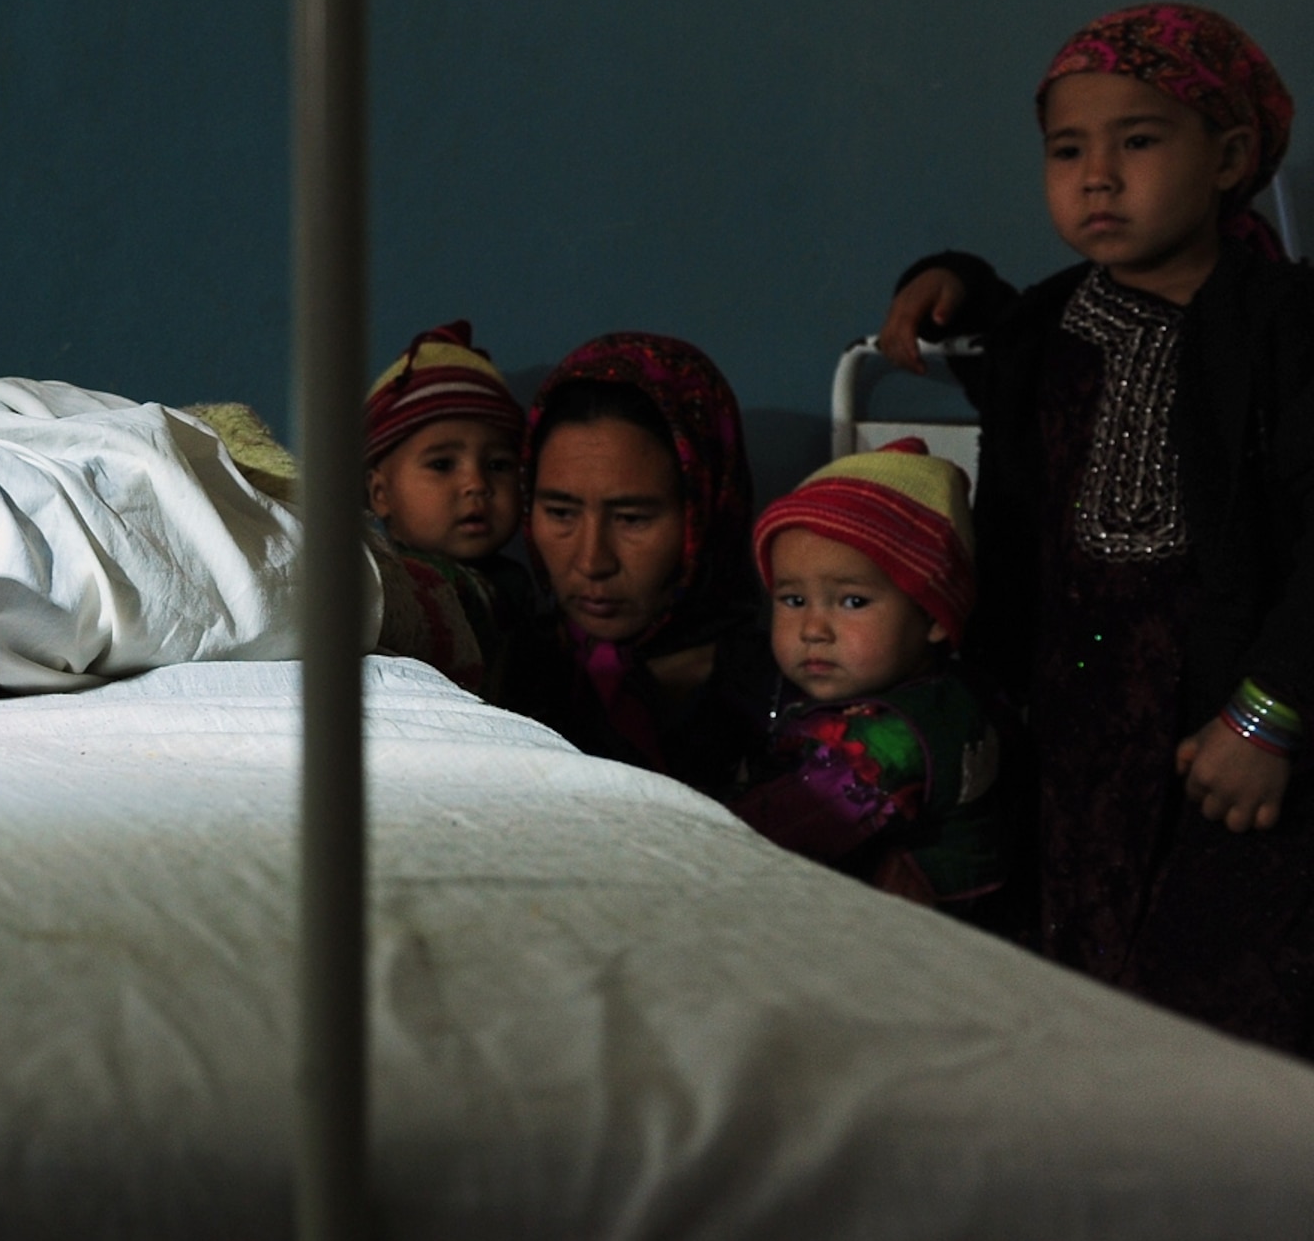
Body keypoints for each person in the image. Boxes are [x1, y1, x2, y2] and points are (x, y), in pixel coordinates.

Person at [876, 1, 1314, 1059]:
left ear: (1230, 154)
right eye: (1066, 150)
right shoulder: (1047, 325)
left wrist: (1269, 716)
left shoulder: (1303, 324)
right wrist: (953, 278)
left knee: (1223, 1046)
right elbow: (1003, 339)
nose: (1097, 175)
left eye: (1138, 140)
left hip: (1228, 757)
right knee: (1067, 1023)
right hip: (1070, 751)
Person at [732, 440, 1007, 919]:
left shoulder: (893, 735)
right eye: (793, 601)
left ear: (935, 616)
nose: (814, 630)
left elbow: (781, 824)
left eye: (852, 602)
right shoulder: (915, 692)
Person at [495, 332, 776, 799]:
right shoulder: (501, 672)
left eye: (632, 519)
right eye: (560, 513)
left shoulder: (788, 692)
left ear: (707, 512)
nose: (592, 561)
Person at [359, 321, 539, 694]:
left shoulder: (521, 583)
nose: (476, 485)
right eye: (442, 465)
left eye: (498, 465)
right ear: (380, 493)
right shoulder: (404, 580)